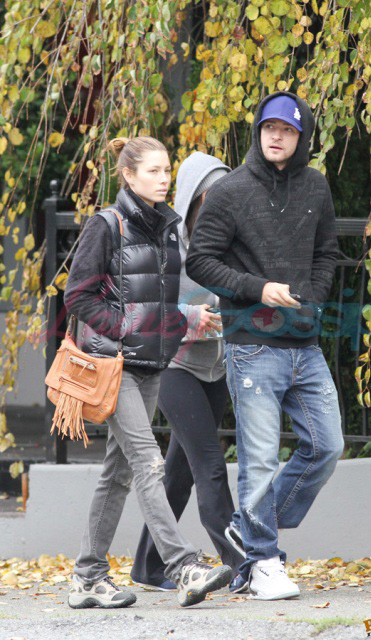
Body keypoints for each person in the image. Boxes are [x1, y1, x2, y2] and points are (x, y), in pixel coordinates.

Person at [186, 93, 345, 600]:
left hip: (305, 343)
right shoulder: (230, 191)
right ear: (258, 131)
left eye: (288, 130)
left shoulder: (316, 186)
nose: (277, 136)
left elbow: (327, 253)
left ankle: (246, 530)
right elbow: (199, 260)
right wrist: (258, 289)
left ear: (302, 138)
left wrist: (312, 301)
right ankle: (264, 562)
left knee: (327, 446)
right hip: (252, 345)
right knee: (258, 459)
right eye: (269, 127)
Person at [63, 136, 232, 609]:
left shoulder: (168, 229)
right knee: (147, 461)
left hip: (152, 365)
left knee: (118, 471)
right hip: (113, 364)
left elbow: (156, 303)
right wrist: (125, 327)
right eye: (153, 171)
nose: (163, 180)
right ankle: (183, 566)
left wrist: (183, 319)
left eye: (167, 171)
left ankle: (88, 576)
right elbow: (77, 296)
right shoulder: (106, 225)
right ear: (129, 175)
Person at [130, 152, 245, 593]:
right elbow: (143, 308)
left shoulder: (231, 243)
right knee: (210, 465)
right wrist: (191, 317)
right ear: (194, 198)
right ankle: (241, 563)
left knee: (180, 472)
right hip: (174, 367)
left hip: (215, 369)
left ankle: (147, 566)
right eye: (213, 195)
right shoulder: (166, 245)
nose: (222, 203)